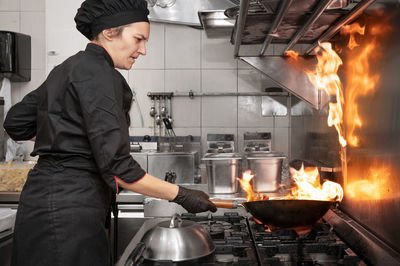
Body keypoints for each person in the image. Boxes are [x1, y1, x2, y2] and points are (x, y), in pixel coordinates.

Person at [3, 0, 216, 265]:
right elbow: (118, 168)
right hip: (70, 212)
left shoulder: (66, 69)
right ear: (109, 32)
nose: (143, 50)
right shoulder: (101, 74)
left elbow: (15, 123)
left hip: (41, 204)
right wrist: (181, 194)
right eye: (138, 39)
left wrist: (70, 134)